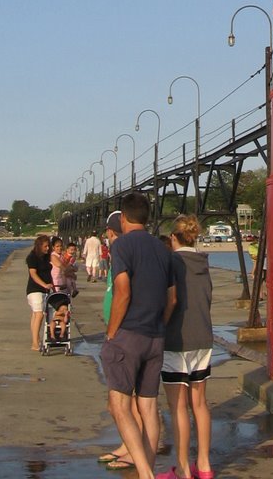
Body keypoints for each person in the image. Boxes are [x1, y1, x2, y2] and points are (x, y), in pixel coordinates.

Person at [101, 193, 176, 479]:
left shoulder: (122, 246)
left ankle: (146, 474)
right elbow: (172, 299)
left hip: (128, 333)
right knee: (148, 406)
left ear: (123, 218)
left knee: (120, 405)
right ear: (147, 218)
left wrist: (111, 331)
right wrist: (159, 326)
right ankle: (149, 466)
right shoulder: (162, 249)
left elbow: (123, 290)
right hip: (155, 336)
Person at [157, 215, 214, 479]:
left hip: (177, 340)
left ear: (173, 237)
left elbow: (171, 299)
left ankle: (182, 468)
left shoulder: (171, 262)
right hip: (203, 338)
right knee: (199, 404)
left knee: (178, 406)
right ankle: (204, 465)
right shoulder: (203, 262)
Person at [26, 234, 54, 351]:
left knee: (35, 314)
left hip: (45, 290)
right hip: (34, 289)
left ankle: (36, 339)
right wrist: (44, 284)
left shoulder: (46, 257)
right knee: (39, 314)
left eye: (48, 246)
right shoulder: (32, 257)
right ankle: (35, 343)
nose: (47, 248)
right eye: (45, 246)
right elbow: (33, 274)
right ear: (39, 246)